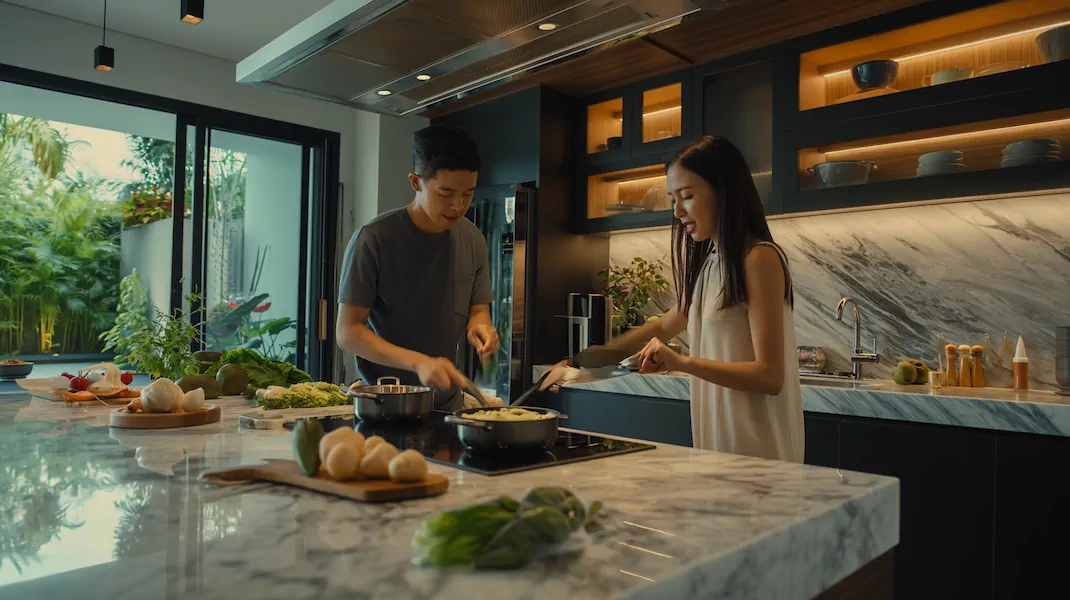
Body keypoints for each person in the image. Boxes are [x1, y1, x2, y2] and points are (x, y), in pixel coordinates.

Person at [560, 136, 804, 462]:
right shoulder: (711, 265)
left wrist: (682, 362)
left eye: (687, 196)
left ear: (723, 190)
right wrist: (586, 359)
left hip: (760, 454)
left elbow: (770, 377)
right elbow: (664, 325)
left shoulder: (759, 259)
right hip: (718, 449)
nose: (677, 211)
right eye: (673, 199)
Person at [336, 124, 499, 411]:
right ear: (416, 182)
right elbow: (348, 332)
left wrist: (482, 327)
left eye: (468, 194)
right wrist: (418, 362)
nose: (458, 206)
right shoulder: (373, 239)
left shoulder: (473, 239)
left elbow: (478, 309)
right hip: (385, 403)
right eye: (446, 193)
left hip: (448, 406)